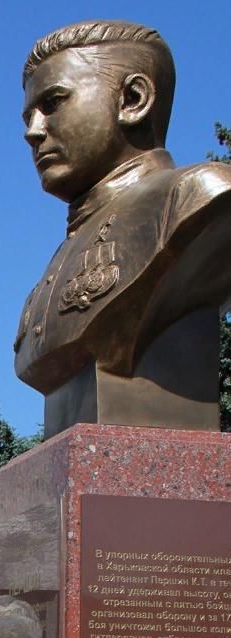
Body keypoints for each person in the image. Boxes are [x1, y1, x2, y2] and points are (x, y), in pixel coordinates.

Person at [15, 19, 231, 435]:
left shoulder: (195, 199)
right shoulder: (59, 259)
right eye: (29, 115)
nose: (33, 131)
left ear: (132, 100)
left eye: (53, 103)